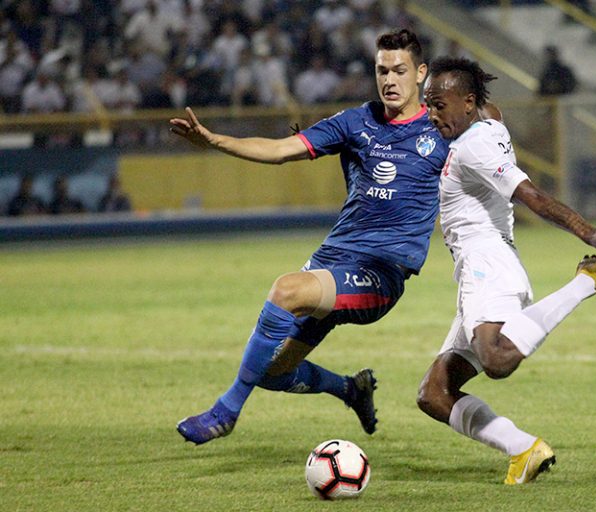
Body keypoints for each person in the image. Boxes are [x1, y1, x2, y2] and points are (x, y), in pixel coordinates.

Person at [169, 29, 449, 445]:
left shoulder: (441, 130)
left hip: (381, 273)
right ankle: (351, 389)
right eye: (382, 71)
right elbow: (282, 150)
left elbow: (486, 146)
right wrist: (214, 140)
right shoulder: (355, 122)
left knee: (286, 290)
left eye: (400, 71)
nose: (390, 80)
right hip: (332, 261)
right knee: (271, 372)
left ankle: (225, 412)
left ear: (421, 73)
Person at [419, 57, 596, 485]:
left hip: (487, 262)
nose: (432, 115)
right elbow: (490, 110)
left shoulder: (474, 147)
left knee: (496, 358)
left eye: (439, 105)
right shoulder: (488, 121)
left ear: (467, 103)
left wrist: (589, 233)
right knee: (435, 393)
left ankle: (587, 281)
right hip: (475, 268)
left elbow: (533, 197)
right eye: (428, 105)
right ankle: (523, 449)